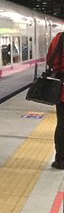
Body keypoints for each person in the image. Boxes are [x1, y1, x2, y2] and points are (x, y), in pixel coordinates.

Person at [47, 31, 64, 168]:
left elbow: (50, 60)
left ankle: (60, 160)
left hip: (61, 90)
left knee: (61, 125)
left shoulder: (59, 38)